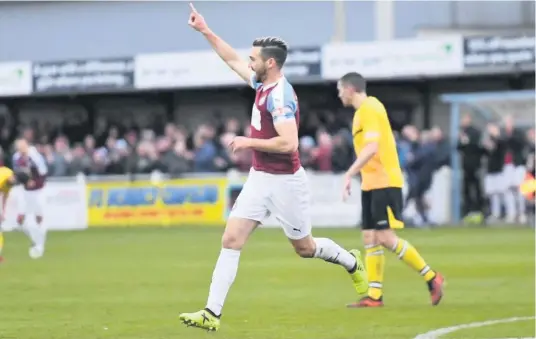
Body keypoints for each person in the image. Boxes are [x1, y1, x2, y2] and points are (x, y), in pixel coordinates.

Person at [179, 3, 367, 332]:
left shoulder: (281, 96)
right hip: (259, 178)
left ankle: (351, 261)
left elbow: (290, 143)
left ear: (270, 63)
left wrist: (248, 142)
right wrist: (205, 30)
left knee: (305, 248)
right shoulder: (261, 84)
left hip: (285, 183)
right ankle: (212, 313)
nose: (248, 62)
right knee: (230, 240)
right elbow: (231, 59)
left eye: (253, 59)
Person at [338, 72, 445, 308]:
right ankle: (375, 296)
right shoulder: (359, 114)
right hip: (371, 183)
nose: (339, 95)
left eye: (340, 89)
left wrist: (349, 173)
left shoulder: (371, 108)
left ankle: (431, 277)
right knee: (369, 238)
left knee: (385, 237)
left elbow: (372, 147)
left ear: (350, 89)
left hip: (385, 182)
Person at [12, 138, 48, 258]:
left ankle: (40, 244)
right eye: (18, 148)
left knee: (39, 217)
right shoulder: (16, 157)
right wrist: (19, 181)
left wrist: (35, 182)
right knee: (21, 218)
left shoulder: (35, 157)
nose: (20, 150)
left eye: (22, 147)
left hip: (38, 191)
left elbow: (43, 173)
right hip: (25, 191)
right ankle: (34, 241)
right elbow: (17, 173)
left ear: (26, 146)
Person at [0, 166, 31, 261]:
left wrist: (2, 212)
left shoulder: (9, 183)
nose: (13, 183)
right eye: (14, 180)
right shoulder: (3, 176)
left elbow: (5, 196)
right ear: (14, 176)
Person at [482, 123, 507, 223]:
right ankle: (495, 213)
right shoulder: (488, 140)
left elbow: (501, 147)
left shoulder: (501, 140)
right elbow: (484, 151)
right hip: (490, 170)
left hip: (499, 169)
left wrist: (495, 137)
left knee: (501, 192)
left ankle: (505, 213)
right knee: (492, 193)